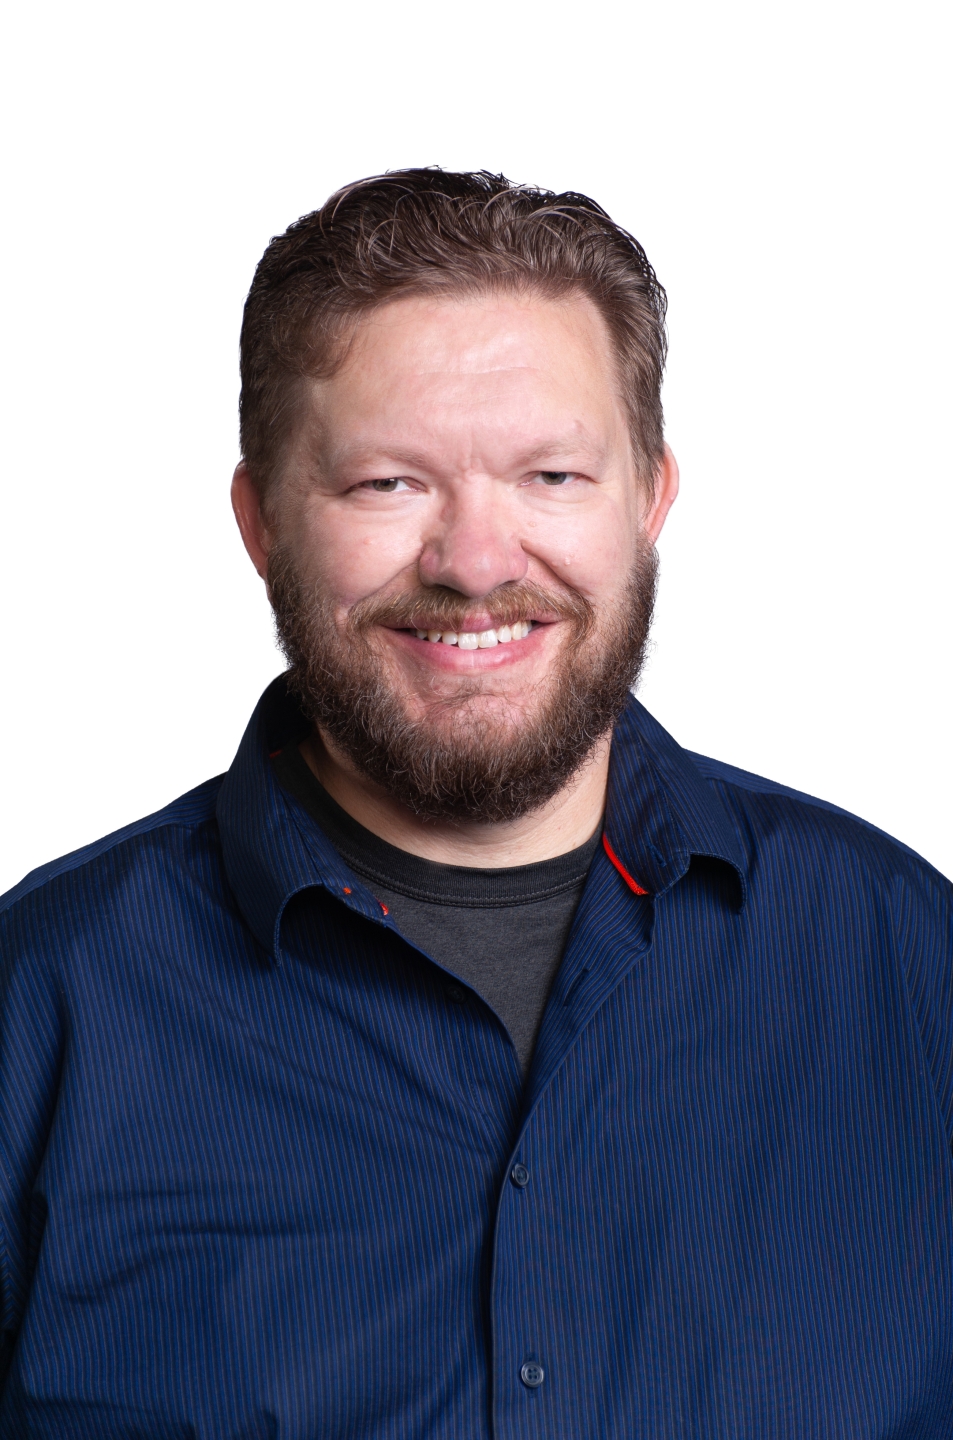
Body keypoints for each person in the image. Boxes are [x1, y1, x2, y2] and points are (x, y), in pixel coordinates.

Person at [1, 167, 951, 1440]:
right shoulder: (44, 1001)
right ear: (260, 523)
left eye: (551, 476)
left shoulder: (905, 963)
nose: (477, 563)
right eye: (388, 484)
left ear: (650, 499)